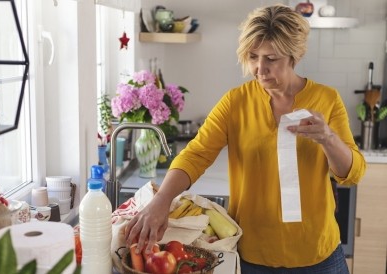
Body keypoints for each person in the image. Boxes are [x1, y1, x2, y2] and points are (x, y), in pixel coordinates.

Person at [125, 4, 366, 273]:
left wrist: (328, 139)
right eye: (253, 57)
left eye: (271, 58)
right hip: (253, 256)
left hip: (319, 254)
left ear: (294, 55)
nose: (259, 69)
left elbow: (352, 173)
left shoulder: (326, 99)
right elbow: (197, 153)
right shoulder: (236, 102)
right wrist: (162, 200)